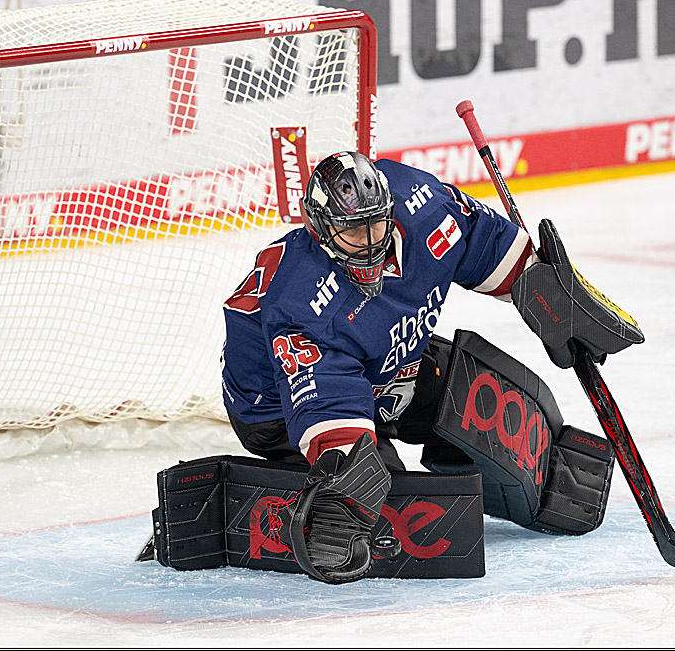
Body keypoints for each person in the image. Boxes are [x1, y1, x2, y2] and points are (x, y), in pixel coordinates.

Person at [220, 152, 635, 584]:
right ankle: (320, 494)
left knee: (483, 397)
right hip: (276, 406)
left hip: (388, 354)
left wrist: (541, 288)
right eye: (351, 230)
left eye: (375, 223)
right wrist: (344, 484)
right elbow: (325, 396)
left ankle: (541, 483)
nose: (368, 239)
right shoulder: (306, 302)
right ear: (321, 230)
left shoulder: (423, 205)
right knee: (374, 493)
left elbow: (478, 238)